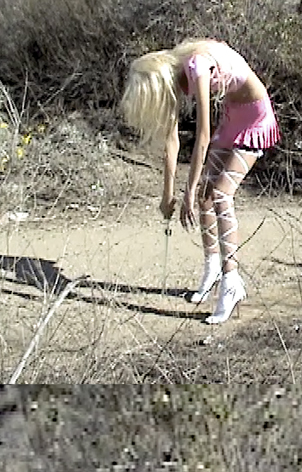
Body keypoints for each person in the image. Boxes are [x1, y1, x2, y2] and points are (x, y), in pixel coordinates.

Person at [120, 40, 280, 323]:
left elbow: (203, 135)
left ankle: (231, 281)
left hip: (255, 117)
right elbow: (172, 142)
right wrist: (168, 196)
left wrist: (188, 189)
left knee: (220, 194)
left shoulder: (197, 65)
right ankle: (212, 268)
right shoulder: (177, 80)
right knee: (206, 196)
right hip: (233, 117)